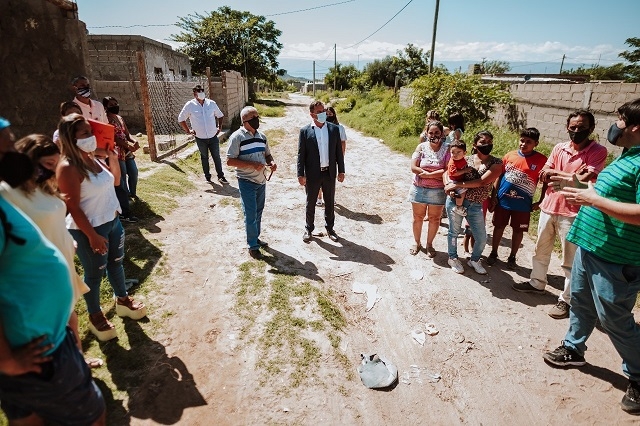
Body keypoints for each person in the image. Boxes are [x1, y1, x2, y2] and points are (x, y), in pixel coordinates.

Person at [0, 118, 107, 425]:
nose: (13, 155)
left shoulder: (38, 188)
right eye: (6, 148)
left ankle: (78, 360)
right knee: (93, 416)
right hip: (36, 341)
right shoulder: (8, 195)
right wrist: (5, 359)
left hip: (47, 329)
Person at [542, 98, 640, 415]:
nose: (616, 125)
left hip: (617, 256)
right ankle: (574, 348)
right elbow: (610, 194)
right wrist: (580, 187)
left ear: (635, 127)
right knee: (581, 301)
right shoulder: (628, 154)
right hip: (591, 244)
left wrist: (592, 199)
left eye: (620, 120)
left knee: (614, 318)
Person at [57, 113, 147, 342]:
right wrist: (92, 236)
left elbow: (115, 182)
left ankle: (122, 300)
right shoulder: (68, 167)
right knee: (94, 274)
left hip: (112, 222)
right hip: (89, 230)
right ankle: (95, 315)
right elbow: (73, 207)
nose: (91, 136)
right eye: (85, 133)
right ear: (71, 138)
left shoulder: (93, 158)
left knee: (116, 264)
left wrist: (112, 158)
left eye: (91, 132)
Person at [512, 111, 608, 320]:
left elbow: (587, 179)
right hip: (549, 206)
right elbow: (544, 174)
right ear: (567, 127)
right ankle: (537, 283)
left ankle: (567, 300)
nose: (576, 131)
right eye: (573, 127)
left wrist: (562, 176)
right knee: (541, 250)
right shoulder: (559, 148)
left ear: (591, 129)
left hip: (574, 212)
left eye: (581, 127)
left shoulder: (598, 151)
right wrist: (573, 177)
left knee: (570, 260)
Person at [487, 128, 548, 269]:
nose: (523, 144)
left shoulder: (541, 160)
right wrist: (493, 196)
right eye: (522, 140)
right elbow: (499, 176)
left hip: (523, 205)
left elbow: (545, 183)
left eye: (528, 142)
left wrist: (541, 201)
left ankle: (512, 257)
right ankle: (494, 253)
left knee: (518, 230)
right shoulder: (510, 156)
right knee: (498, 226)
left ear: (536, 143)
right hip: (503, 201)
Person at [444, 130, 503, 274]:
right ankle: (452, 258)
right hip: (455, 200)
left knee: (481, 238)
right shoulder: (465, 158)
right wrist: (448, 186)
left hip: (475, 204)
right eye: (483, 142)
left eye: (489, 142)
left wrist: (456, 185)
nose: (487, 144)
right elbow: (446, 172)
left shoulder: (496, 163)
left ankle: (474, 259)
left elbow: (482, 182)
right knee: (453, 232)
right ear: (474, 145)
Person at [226, 106, 277, 260]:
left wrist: (272, 162)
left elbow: (267, 155)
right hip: (246, 181)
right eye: (253, 118)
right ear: (244, 121)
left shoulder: (262, 136)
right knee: (250, 214)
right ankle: (252, 246)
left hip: (261, 181)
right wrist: (252, 165)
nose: (257, 120)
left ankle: (255, 238)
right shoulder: (237, 137)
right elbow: (230, 161)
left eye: (257, 117)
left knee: (258, 211)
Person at [297, 100, 345, 243]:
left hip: (329, 173)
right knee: (310, 202)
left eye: (323, 111)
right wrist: (300, 174)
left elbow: (338, 152)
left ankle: (330, 229)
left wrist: (341, 170)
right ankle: (308, 229)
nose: (323, 114)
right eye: (319, 112)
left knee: (329, 202)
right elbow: (301, 155)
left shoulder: (333, 129)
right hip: (313, 173)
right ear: (312, 114)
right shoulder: (305, 131)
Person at [409, 120, 450, 257]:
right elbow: (413, 167)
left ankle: (429, 244)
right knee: (418, 217)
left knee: (435, 219)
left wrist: (428, 174)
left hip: (437, 191)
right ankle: (417, 243)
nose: (433, 135)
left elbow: (447, 170)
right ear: (426, 133)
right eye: (431, 132)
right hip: (419, 188)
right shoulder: (421, 147)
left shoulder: (448, 149)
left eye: (437, 132)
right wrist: (436, 174)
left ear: (442, 133)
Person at [178, 84, 228, 184]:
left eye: (202, 91)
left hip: (213, 136)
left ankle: (221, 176)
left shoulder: (211, 103)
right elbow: (181, 119)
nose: (201, 93)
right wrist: (188, 131)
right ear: (194, 94)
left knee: (216, 156)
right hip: (200, 138)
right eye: (199, 91)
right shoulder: (190, 105)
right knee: (204, 157)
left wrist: (219, 127)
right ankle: (207, 177)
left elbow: (220, 115)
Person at [103, 96, 140, 223]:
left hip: (127, 151)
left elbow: (127, 134)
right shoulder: (106, 120)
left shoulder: (119, 118)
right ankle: (125, 207)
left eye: (116, 103)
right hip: (117, 152)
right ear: (106, 107)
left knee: (134, 172)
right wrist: (127, 145)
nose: (115, 106)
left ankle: (131, 194)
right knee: (121, 178)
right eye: (111, 104)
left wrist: (134, 141)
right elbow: (113, 137)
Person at [317, 106, 347, 206]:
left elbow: (343, 143)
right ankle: (319, 197)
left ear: (334, 115)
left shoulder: (339, 128)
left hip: (333, 157)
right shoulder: (321, 127)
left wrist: (341, 156)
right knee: (319, 177)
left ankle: (330, 197)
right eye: (326, 114)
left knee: (331, 179)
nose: (328, 116)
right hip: (322, 156)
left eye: (330, 114)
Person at [446, 140, 474, 217]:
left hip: (458, 180)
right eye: (453, 152)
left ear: (464, 153)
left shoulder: (462, 159)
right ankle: (458, 207)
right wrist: (465, 171)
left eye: (458, 152)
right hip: (453, 180)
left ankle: (453, 192)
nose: (455, 155)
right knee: (462, 192)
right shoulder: (452, 162)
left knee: (459, 191)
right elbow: (453, 173)